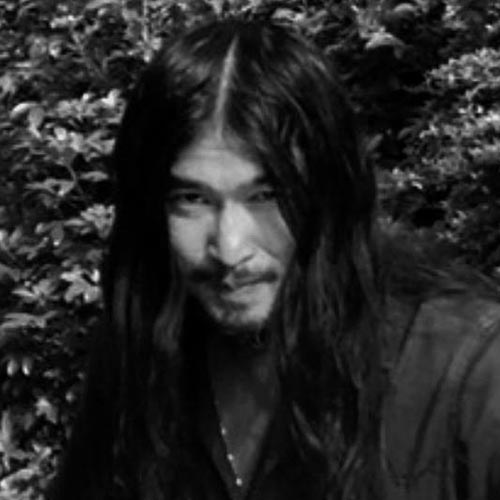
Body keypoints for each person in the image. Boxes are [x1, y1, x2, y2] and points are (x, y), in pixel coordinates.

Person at [50, 16, 500, 500]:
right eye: (191, 199)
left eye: (266, 195)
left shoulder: (467, 373)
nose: (230, 249)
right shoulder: (145, 357)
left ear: (328, 192)